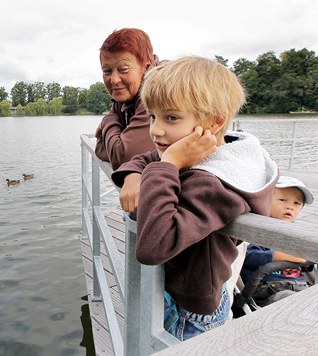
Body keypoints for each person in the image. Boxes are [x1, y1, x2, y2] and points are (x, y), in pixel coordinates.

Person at [110, 56, 278, 341]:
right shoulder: (207, 151)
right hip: (186, 295)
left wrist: (169, 165)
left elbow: (153, 246)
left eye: (171, 117)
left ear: (214, 122)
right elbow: (146, 157)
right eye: (152, 116)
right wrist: (133, 176)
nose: (155, 130)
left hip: (191, 315)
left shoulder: (215, 183)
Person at [240, 175, 315, 307]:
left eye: (296, 203)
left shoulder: (297, 233)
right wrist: (280, 256)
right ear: (265, 201)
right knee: (299, 304)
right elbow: (246, 255)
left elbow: (309, 264)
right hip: (268, 288)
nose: (289, 207)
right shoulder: (256, 227)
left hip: (300, 284)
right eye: (283, 200)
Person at [95, 28, 160, 170]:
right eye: (107, 71)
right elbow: (100, 148)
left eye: (123, 69)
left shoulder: (158, 88)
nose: (114, 80)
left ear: (146, 66)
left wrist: (107, 120)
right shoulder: (127, 93)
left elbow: (123, 158)